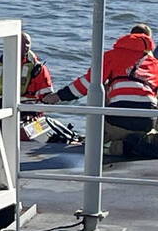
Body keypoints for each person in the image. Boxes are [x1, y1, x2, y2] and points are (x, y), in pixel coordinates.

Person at [45, 24, 158, 156]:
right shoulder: (154, 63)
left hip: (118, 123)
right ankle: (147, 141)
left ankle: (111, 145)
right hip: (146, 122)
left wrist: (57, 97)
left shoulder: (111, 56)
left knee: (99, 87)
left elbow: (86, 83)